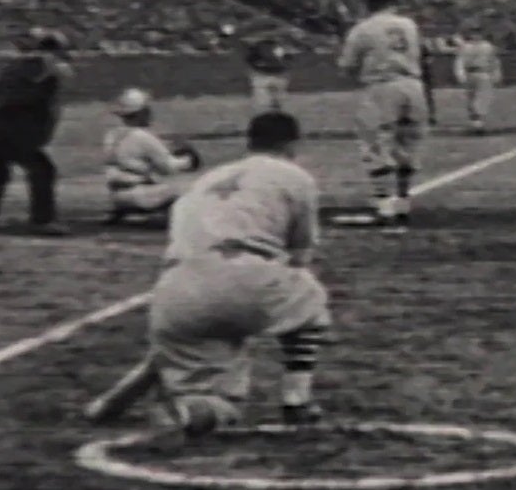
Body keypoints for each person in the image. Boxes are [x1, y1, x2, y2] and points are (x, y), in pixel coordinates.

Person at [85, 112, 332, 434]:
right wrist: (256, 309)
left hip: (173, 293)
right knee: (310, 298)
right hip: (242, 273)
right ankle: (296, 400)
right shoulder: (294, 176)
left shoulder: (209, 178)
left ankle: (187, 409)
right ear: (292, 143)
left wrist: (115, 403)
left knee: (216, 403)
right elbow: (300, 256)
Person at [336, 0, 429, 228]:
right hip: (414, 85)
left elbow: (347, 65)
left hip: (382, 86)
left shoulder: (363, 28)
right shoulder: (409, 25)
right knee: (408, 145)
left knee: (374, 143)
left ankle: (385, 207)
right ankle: (403, 204)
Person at [0, 28, 72, 235]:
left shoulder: (18, 67)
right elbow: (21, 96)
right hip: (10, 129)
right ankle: (42, 220)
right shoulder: (40, 68)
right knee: (42, 169)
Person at [103, 88, 202, 225]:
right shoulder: (143, 137)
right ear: (141, 113)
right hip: (141, 197)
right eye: (146, 110)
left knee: (148, 180)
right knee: (195, 188)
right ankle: (162, 215)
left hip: (116, 197)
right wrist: (188, 160)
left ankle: (125, 212)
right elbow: (168, 167)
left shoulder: (111, 135)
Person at [453, 24, 503, 134]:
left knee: (482, 97)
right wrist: (460, 74)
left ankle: (478, 122)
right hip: (470, 73)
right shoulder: (466, 47)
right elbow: (460, 61)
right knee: (471, 98)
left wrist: (496, 74)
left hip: (484, 73)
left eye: (478, 33)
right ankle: (475, 121)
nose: (476, 36)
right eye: (474, 33)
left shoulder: (488, 47)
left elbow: (494, 61)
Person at [246, 38, 291, 113]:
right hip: (264, 75)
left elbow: (287, 61)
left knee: (268, 93)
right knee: (264, 94)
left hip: (272, 74)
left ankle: (273, 106)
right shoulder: (256, 51)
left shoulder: (279, 50)